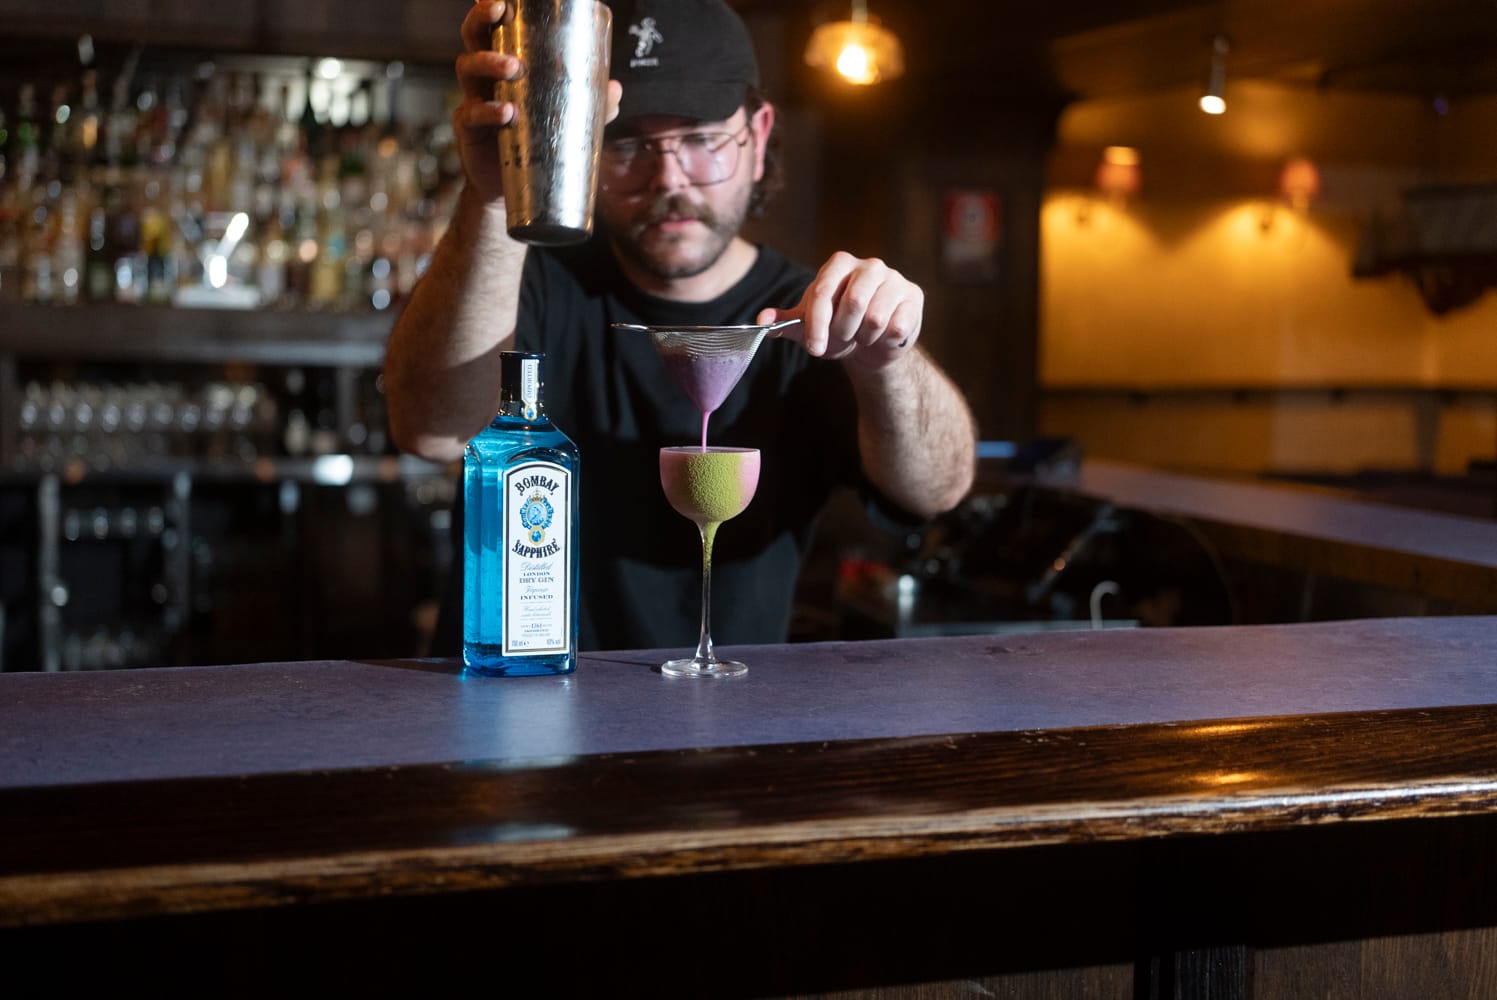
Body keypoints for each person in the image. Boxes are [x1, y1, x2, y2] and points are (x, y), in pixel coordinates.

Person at [385, 0, 977, 654]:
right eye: (627, 144)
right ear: (579, 144)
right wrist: (493, 200)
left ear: (757, 136)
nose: (668, 179)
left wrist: (886, 359)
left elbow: (938, 489)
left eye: (699, 138)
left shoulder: (810, 313)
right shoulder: (523, 278)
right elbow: (429, 432)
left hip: (720, 725)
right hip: (512, 697)